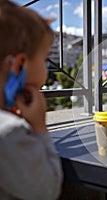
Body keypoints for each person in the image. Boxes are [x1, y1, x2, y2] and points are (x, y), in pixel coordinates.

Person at [0, 1, 63, 199]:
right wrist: (39, 129)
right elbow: (47, 191)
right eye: (44, 59)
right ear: (19, 65)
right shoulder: (9, 134)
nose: (47, 68)